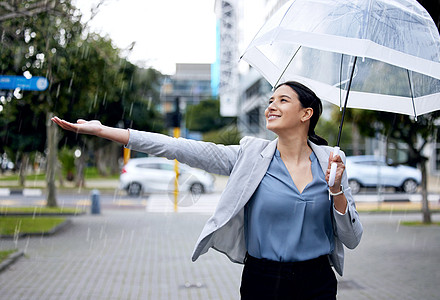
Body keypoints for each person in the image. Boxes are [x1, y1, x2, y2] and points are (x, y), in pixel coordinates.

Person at [52, 81, 363, 300]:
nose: (271, 106)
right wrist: (105, 131)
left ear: (306, 114)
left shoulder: (333, 162)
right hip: (265, 280)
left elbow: (352, 238)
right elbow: (177, 147)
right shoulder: (250, 155)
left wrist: (336, 191)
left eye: (283, 100)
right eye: (270, 100)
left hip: (317, 281)